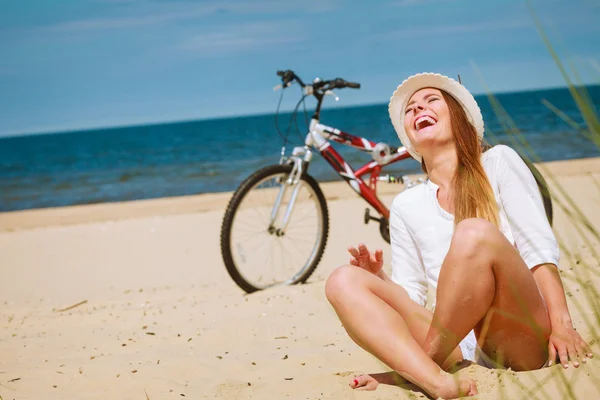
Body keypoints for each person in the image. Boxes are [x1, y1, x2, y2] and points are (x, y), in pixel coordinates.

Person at [325, 73, 593, 399]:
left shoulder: (498, 163)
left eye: (431, 100)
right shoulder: (407, 205)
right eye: (410, 108)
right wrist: (378, 279)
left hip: (517, 329)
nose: (418, 107)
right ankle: (435, 380)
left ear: (459, 116)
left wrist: (563, 326)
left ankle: (413, 371)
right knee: (342, 279)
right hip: (455, 345)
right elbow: (411, 295)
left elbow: (538, 250)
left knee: (474, 233)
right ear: (409, 136)